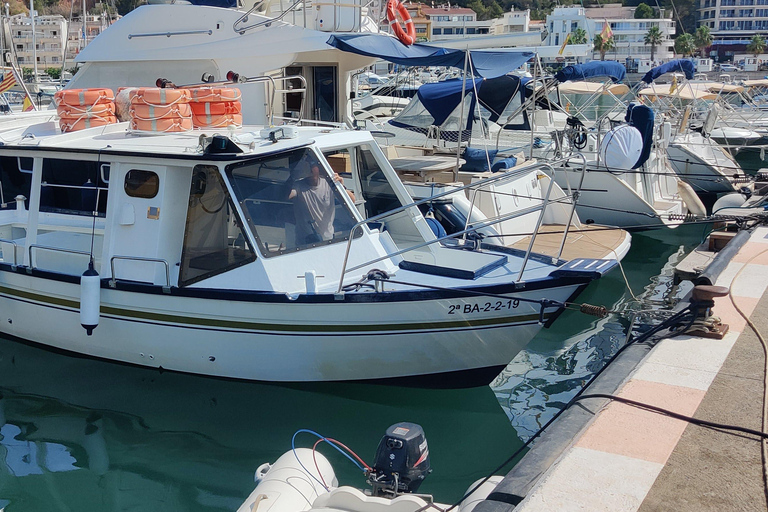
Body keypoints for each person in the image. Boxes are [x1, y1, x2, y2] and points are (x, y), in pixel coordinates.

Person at [289, 161, 355, 245]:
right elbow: (286, 196)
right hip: (304, 241)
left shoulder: (329, 183)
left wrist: (341, 187)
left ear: (318, 168)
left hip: (327, 238)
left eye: (312, 166)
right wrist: (292, 177)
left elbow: (352, 200)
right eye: (306, 166)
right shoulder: (298, 186)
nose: (310, 170)